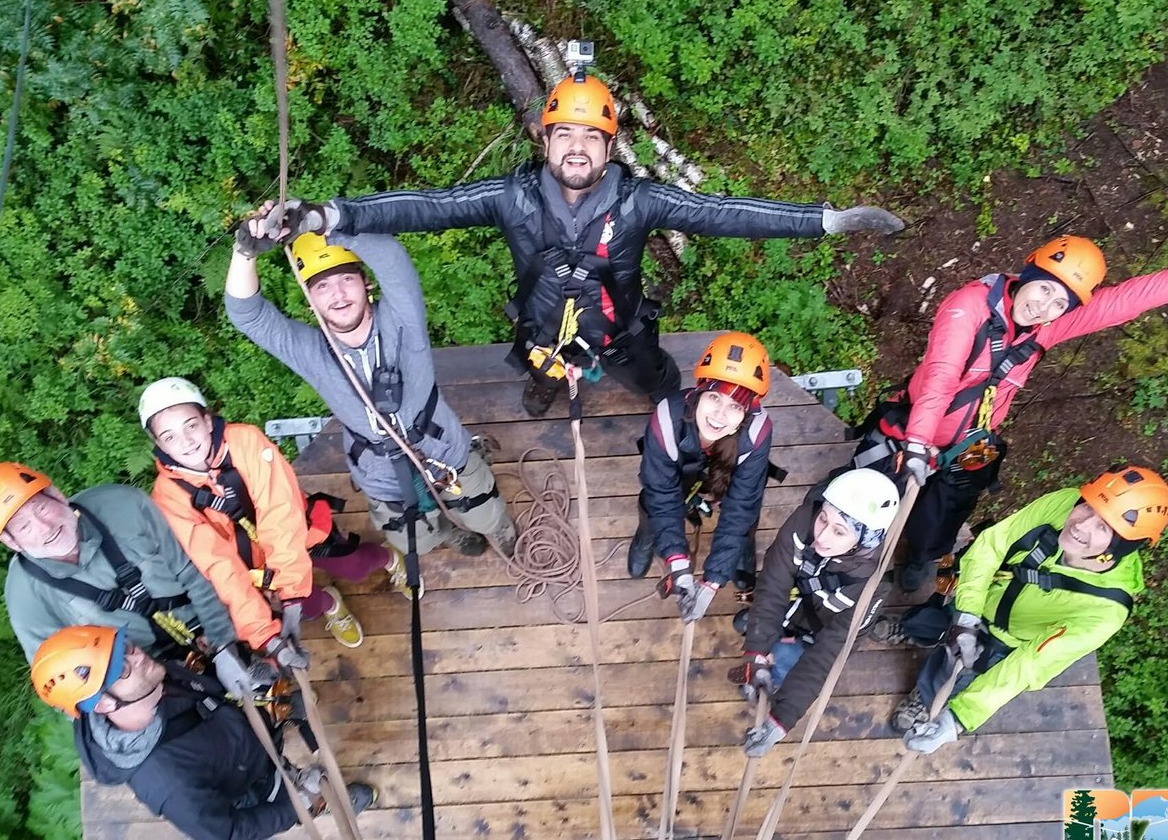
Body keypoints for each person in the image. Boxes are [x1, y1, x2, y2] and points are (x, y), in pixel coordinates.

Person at [270, 71, 904, 416]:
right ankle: (547, 388)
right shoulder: (512, 197)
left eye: (590, 138)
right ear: (544, 141)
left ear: (609, 147)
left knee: (653, 377)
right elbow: (428, 206)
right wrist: (331, 214)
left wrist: (827, 221)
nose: (576, 147)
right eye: (564, 135)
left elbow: (724, 213)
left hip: (620, 329)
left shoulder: (639, 200)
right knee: (539, 369)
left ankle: (665, 402)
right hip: (542, 327)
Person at [849, 224, 1168, 592]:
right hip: (914, 431)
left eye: (1060, 304)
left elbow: (1118, 303)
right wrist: (920, 442)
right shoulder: (968, 308)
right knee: (869, 494)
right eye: (1045, 289)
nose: (1044, 308)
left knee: (949, 507)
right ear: (1030, 273)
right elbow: (941, 376)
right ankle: (850, 546)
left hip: (972, 441)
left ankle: (922, 554)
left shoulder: (1045, 326)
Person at [227, 222, 518, 559]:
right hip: (379, 468)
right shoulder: (310, 351)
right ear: (310, 302)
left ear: (367, 285)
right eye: (322, 287)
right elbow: (246, 313)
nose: (338, 295)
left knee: (482, 509)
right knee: (417, 539)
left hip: (441, 445)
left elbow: (393, 259)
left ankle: (496, 526)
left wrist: (321, 223)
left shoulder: (401, 319)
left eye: (346, 279)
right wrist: (245, 250)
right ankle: (445, 531)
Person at [886, 466, 1168, 753]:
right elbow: (992, 544)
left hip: (1008, 639)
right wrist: (968, 614)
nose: (1080, 525)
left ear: (1121, 548)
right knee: (947, 624)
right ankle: (914, 629)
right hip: (982, 592)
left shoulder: (1105, 611)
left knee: (957, 667)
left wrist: (958, 717)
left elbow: (1030, 664)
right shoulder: (1064, 503)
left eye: (1103, 528)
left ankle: (925, 699)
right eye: (1088, 508)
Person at [31, 625, 376, 840]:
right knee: (288, 791)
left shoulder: (155, 680)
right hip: (252, 785)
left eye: (127, 647)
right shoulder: (167, 782)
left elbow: (206, 686)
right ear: (105, 703)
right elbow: (224, 834)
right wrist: (295, 806)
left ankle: (298, 783)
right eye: (121, 668)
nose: (137, 657)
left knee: (280, 765)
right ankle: (318, 803)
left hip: (246, 744)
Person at [139, 376, 390, 657]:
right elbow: (217, 564)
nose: (186, 442)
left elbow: (279, 509)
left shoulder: (244, 441)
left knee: (353, 567)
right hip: (254, 571)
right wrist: (263, 633)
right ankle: (331, 605)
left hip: (299, 532)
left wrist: (290, 588)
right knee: (308, 606)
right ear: (159, 444)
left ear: (208, 421)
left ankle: (391, 560)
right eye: (170, 436)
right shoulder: (168, 497)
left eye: (191, 426)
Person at [0, 461, 256, 697]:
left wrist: (223, 645)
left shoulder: (123, 507)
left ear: (57, 496)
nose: (44, 528)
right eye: (23, 526)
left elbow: (192, 571)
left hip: (214, 630)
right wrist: (132, 705)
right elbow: (59, 681)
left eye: (41, 509)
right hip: (148, 682)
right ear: (12, 543)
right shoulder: (27, 594)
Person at [730, 469, 901, 756]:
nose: (821, 536)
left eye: (839, 531)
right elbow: (773, 586)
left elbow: (828, 653)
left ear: (864, 541)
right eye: (824, 519)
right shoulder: (803, 522)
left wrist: (780, 721)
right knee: (757, 635)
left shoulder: (871, 586)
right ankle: (772, 648)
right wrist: (756, 654)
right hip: (792, 605)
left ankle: (781, 660)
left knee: (786, 664)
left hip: (816, 631)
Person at [631, 332, 775, 620]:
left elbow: (740, 505)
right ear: (698, 392)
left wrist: (713, 580)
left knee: (747, 514)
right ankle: (649, 536)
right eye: (714, 398)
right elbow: (663, 493)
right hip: (680, 473)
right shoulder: (667, 419)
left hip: (726, 475)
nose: (719, 415)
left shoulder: (757, 435)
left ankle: (738, 552)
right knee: (652, 501)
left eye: (735, 406)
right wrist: (677, 562)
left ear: (746, 413)